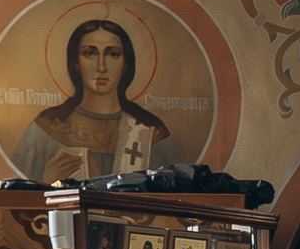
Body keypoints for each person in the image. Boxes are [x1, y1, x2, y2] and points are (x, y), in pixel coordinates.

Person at [10, 17, 185, 183]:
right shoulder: (48, 127)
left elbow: (183, 193)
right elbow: (15, 194)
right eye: (89, 53)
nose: (101, 67)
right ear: (75, 62)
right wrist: (46, 182)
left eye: (113, 54)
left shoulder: (150, 130)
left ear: (126, 63)